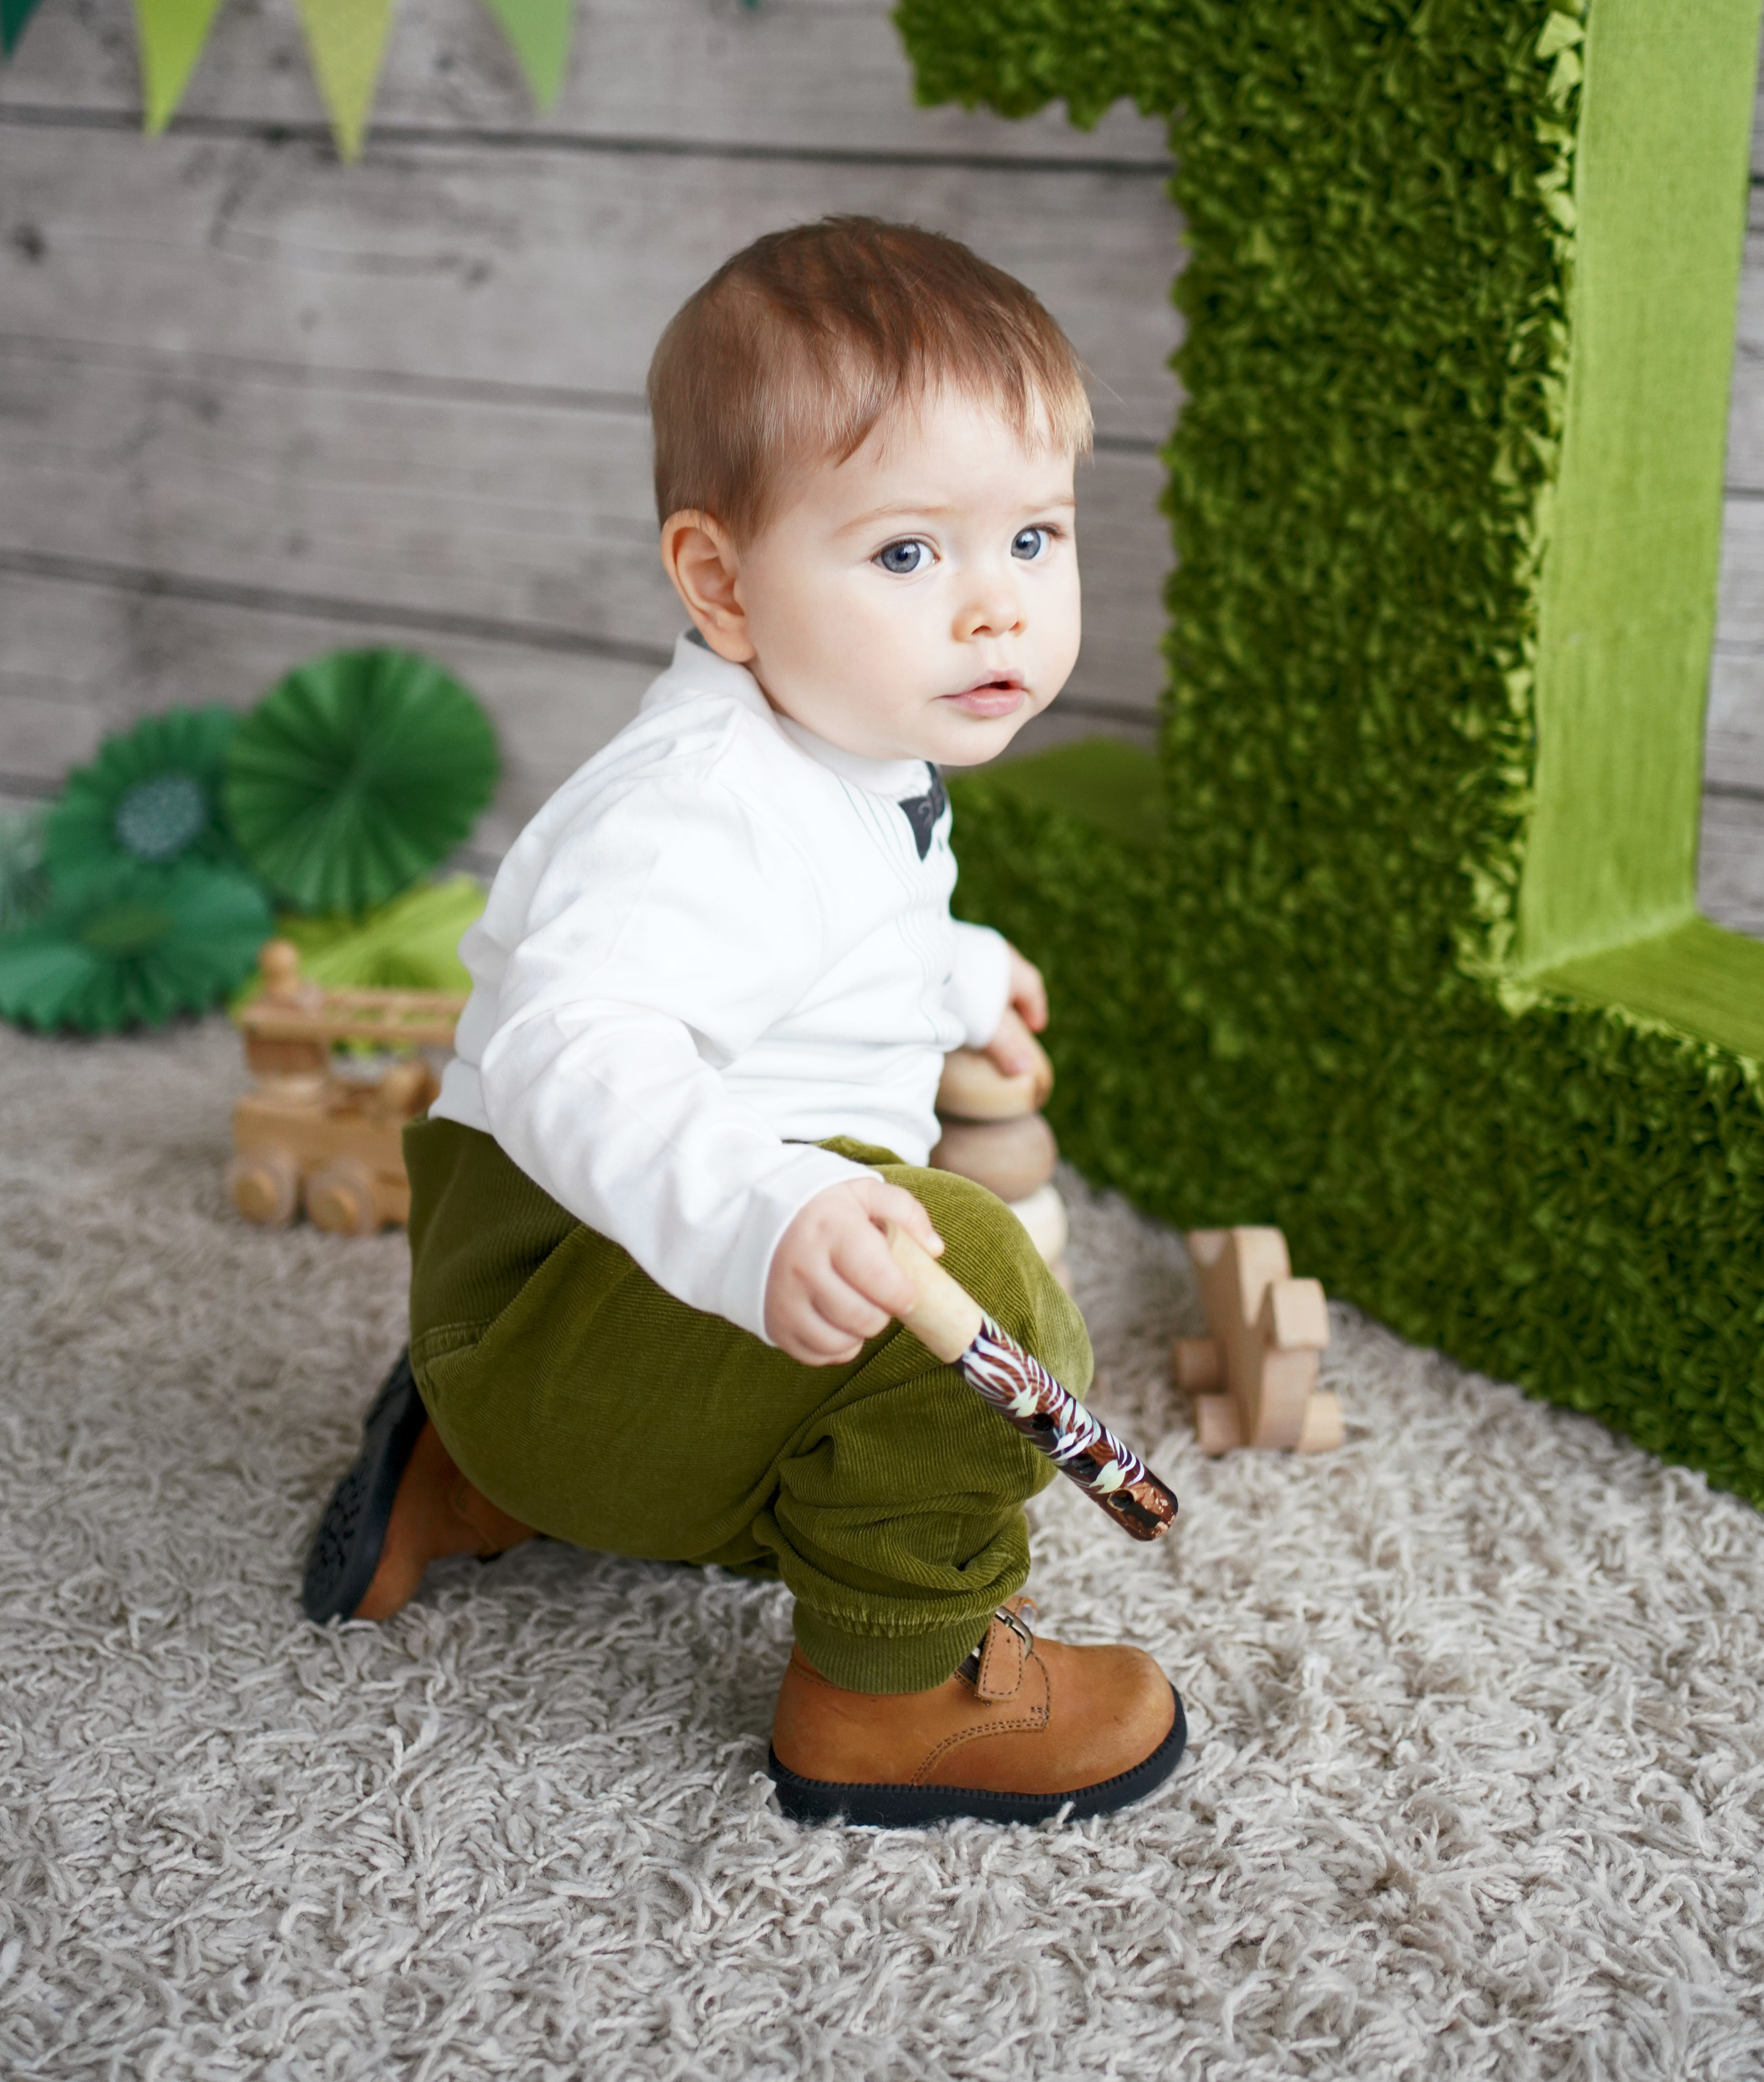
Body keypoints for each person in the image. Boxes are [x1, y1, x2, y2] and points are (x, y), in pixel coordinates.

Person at [302, 217, 1184, 1827]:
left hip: (577, 1288)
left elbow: (840, 927)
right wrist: (763, 1208)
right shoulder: (695, 809)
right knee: (977, 1293)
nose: (995, 608)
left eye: (1033, 538)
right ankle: (887, 1692)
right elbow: (576, 1046)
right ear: (722, 582)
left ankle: (476, 1468)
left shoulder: (848, 730)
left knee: (913, 1239)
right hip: (570, 1275)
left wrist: (955, 971)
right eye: (909, 554)